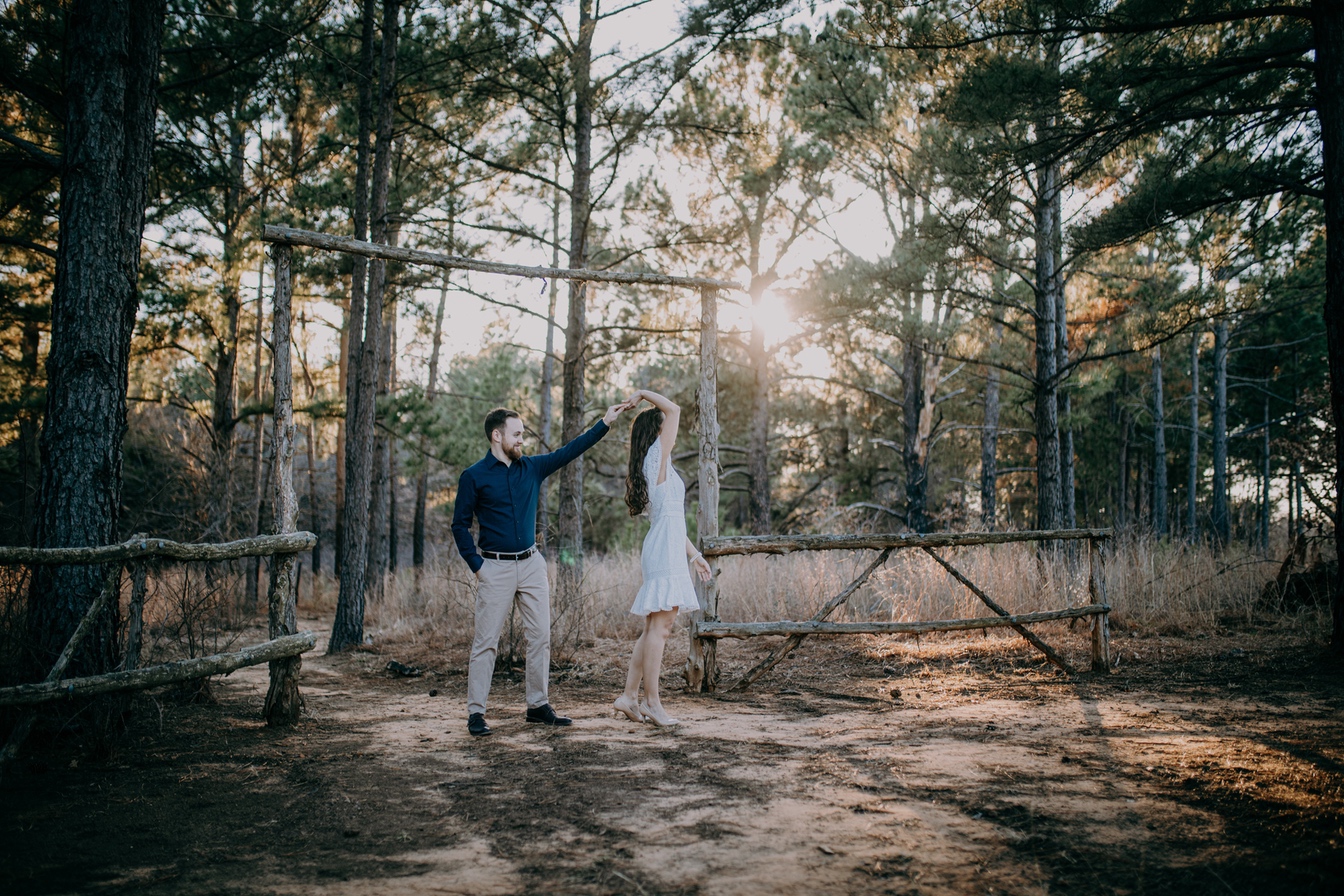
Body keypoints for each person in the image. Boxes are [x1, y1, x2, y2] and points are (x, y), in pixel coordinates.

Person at [453, 402, 629, 737]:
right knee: (486, 642)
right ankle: (476, 713)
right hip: (495, 567)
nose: (522, 440)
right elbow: (459, 526)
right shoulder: (473, 476)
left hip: (532, 565)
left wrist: (604, 422)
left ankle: (537, 705)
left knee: (540, 638)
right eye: (516, 434)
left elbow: (570, 450)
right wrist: (477, 567)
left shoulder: (532, 468)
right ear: (496, 435)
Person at [612, 389, 712, 728]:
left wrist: (694, 555)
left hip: (665, 545)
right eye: (664, 426)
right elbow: (675, 409)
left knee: (655, 627)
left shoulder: (656, 462)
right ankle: (652, 703)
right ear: (656, 430)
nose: (670, 429)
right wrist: (642, 394)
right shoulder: (657, 453)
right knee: (662, 628)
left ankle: (629, 696)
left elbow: (671, 519)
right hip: (661, 550)